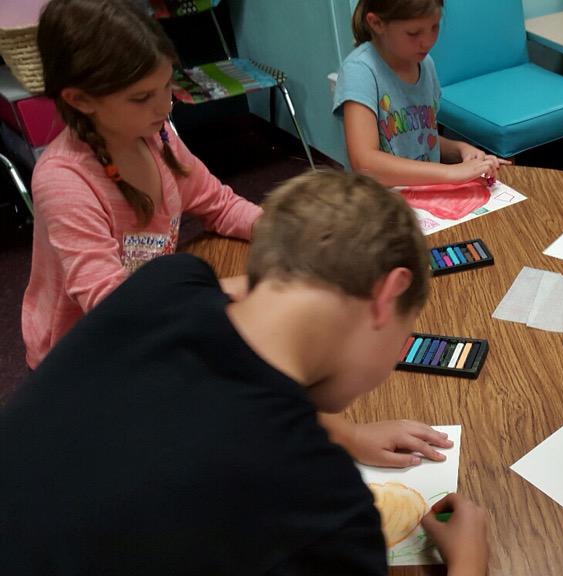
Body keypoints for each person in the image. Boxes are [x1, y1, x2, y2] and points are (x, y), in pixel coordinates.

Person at [0, 170, 489, 576]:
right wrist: (468, 560)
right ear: (387, 296)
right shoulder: (324, 505)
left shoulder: (166, 282)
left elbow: (225, 347)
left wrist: (345, 433)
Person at [22, 0, 261, 368]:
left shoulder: (158, 136)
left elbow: (220, 205)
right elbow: (113, 305)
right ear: (80, 99)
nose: (165, 106)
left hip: (150, 313)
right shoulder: (64, 181)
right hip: (82, 357)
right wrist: (221, 293)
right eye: (141, 97)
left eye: (167, 85)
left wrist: (282, 229)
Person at [334, 0, 509, 186]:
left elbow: (417, 139)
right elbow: (364, 164)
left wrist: (459, 149)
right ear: (376, 24)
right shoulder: (360, 71)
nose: (428, 41)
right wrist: (449, 172)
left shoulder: (425, 63)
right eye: (413, 33)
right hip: (378, 203)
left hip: (424, 195)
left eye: (434, 27)